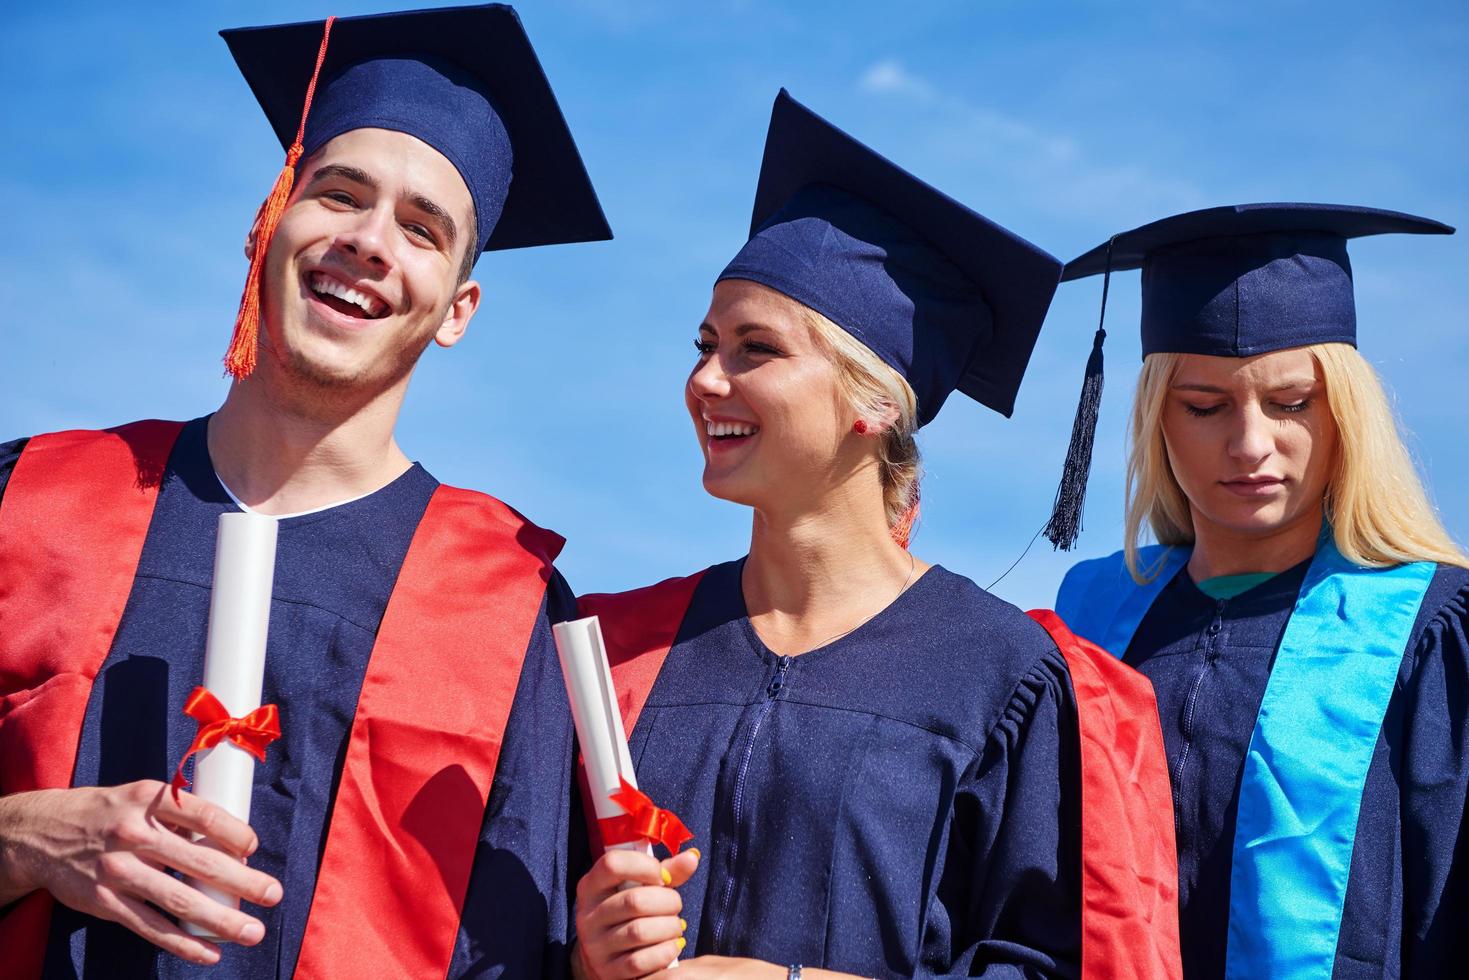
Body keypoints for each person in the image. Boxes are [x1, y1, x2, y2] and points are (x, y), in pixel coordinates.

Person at [0, 6, 610, 978]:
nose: (370, 240)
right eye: (338, 193)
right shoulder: (30, 504)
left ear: (458, 309)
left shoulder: (502, 607)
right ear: (269, 218)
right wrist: (23, 835)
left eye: (421, 228)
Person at [569, 90, 1181, 980]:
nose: (705, 379)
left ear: (871, 404)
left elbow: (1040, 962)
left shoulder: (999, 675)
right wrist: (588, 957)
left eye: (754, 349)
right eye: (703, 345)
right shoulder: (628, 652)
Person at [1051, 203, 1468, 977]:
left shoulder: (1426, 628)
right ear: (1155, 419)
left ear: (1346, 414)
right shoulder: (1086, 624)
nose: (1249, 445)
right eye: (1203, 406)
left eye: (1290, 404)